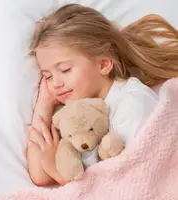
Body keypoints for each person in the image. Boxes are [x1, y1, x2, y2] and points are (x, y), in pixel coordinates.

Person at [26, 4, 178, 186]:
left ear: (104, 65)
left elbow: (123, 185)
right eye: (48, 76)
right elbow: (40, 175)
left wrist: (56, 171)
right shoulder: (75, 117)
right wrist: (45, 102)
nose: (56, 83)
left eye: (65, 70)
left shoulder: (133, 103)